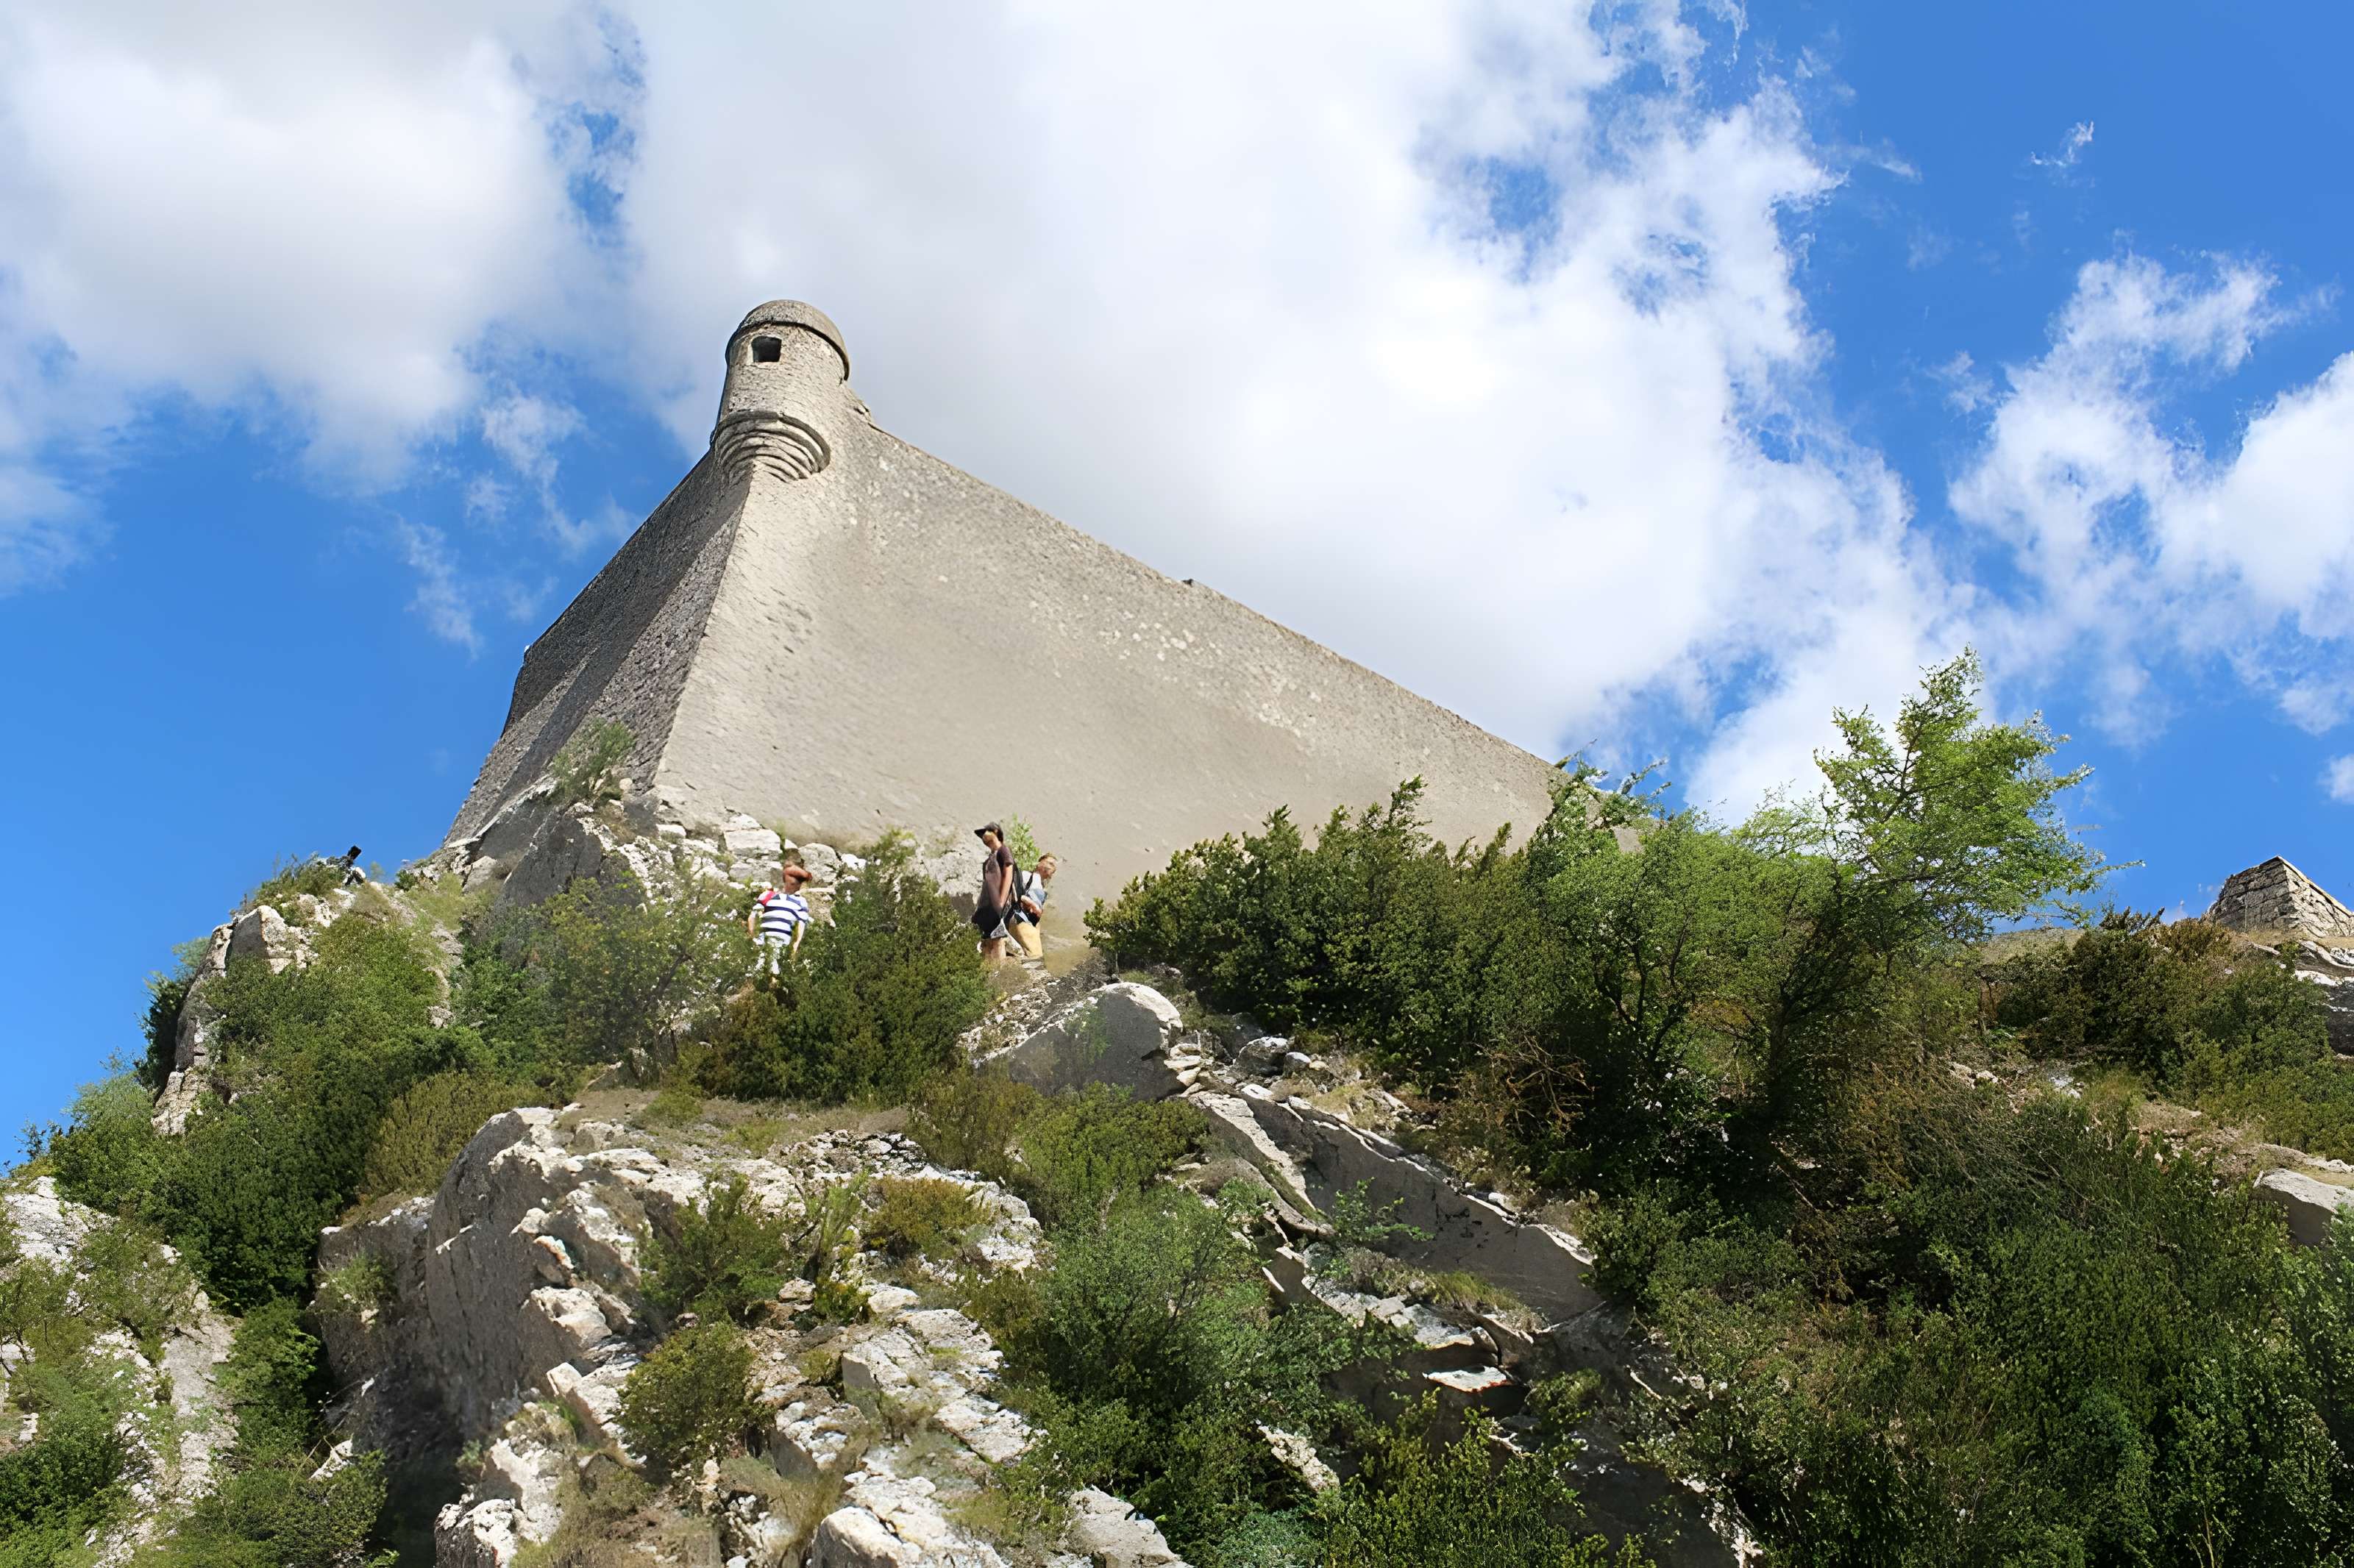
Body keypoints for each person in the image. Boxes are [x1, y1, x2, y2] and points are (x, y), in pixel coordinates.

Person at [749, 863, 814, 975]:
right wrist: (753, 937)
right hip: (766, 940)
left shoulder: (800, 901)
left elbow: (801, 924)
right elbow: (753, 916)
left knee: (771, 970)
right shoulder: (769, 895)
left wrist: (796, 944)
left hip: (780, 941)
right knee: (764, 970)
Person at [971, 823, 1017, 963]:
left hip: (997, 904)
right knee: (987, 937)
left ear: (996, 832)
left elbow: (1009, 872)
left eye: (985, 832)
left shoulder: (1003, 851)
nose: (983, 837)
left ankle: (999, 971)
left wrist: (1002, 901)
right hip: (987, 904)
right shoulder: (991, 856)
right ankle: (989, 969)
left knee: (997, 938)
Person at [1006, 852, 1056, 960]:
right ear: (1040, 864)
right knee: (1035, 956)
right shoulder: (1028, 877)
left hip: (1021, 921)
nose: (1051, 867)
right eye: (1050, 863)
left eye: (1053, 865)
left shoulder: (1032, 879)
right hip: (1023, 921)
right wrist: (1032, 905)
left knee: (1022, 955)